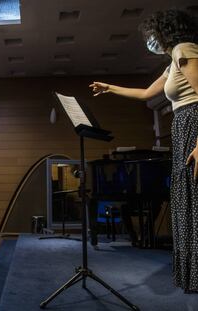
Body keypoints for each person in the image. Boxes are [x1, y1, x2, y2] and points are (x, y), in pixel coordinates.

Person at [90, 9, 198, 293]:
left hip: (193, 125)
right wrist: (109, 87)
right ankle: (192, 274)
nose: (151, 40)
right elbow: (147, 94)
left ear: (166, 31)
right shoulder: (172, 61)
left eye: (153, 34)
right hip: (183, 124)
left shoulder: (183, 49)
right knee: (186, 201)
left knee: (194, 201)